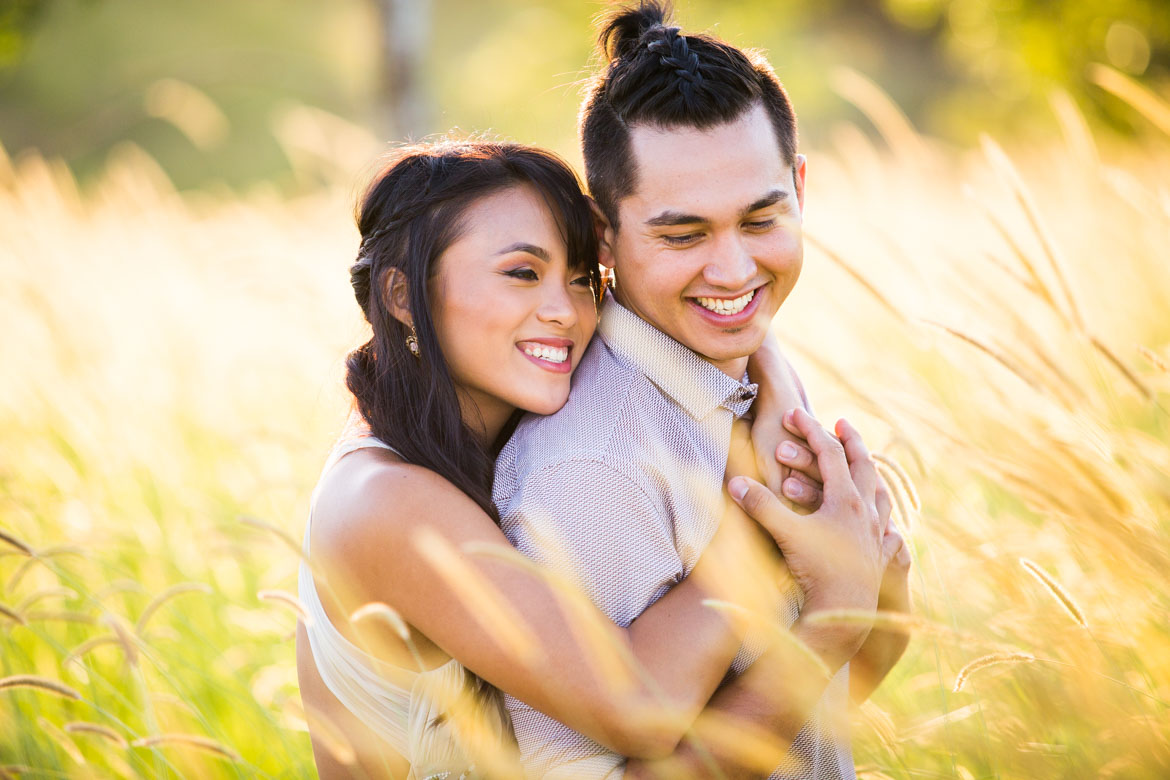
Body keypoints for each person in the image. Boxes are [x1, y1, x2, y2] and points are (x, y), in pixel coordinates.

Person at [295, 139, 828, 779]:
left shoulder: (492, 446)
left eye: (582, 279)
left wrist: (772, 377)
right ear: (403, 294)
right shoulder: (386, 500)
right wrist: (763, 505)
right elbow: (641, 706)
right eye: (523, 273)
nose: (565, 312)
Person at [493, 3, 912, 778]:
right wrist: (825, 618)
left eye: (761, 220)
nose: (732, 272)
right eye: (683, 236)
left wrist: (880, 588)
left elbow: (823, 714)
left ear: (800, 187)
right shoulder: (592, 470)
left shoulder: (754, 374)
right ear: (602, 231)